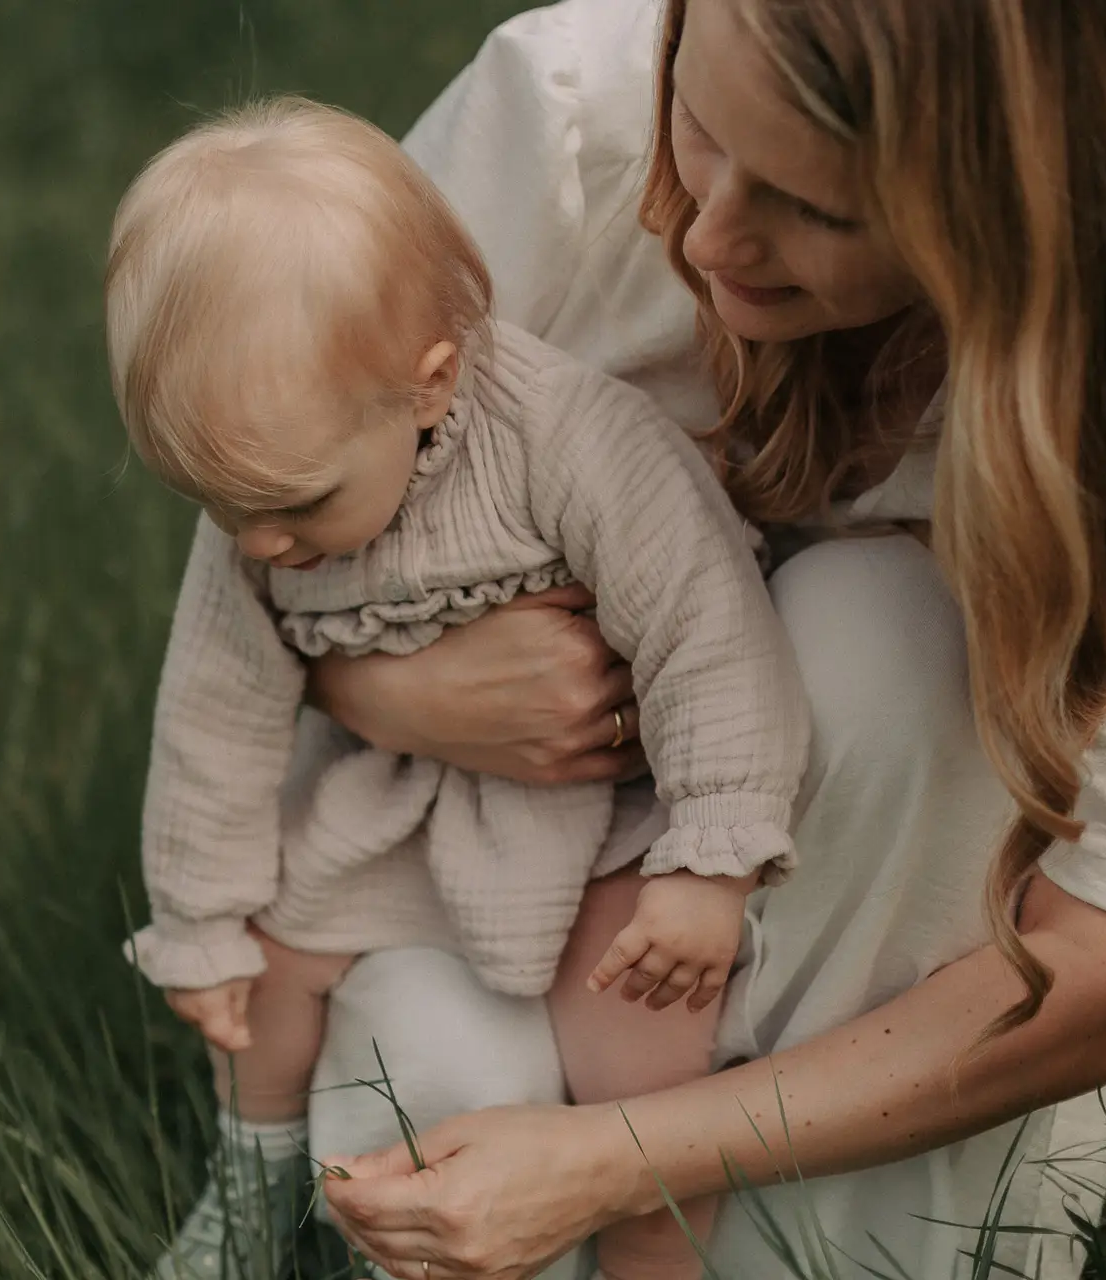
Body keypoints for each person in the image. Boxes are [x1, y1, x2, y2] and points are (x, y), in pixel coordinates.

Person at [302, 0, 1106, 1277]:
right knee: (449, 1077)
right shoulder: (567, 115)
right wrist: (378, 684)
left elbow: (1099, 966)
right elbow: (262, 483)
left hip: (897, 923)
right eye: (698, 120)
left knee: (893, 639)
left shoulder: (1097, 377)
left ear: (1000, 218)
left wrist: (625, 1160)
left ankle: (810, 1237)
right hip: (498, 838)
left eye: (818, 208)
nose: (706, 227)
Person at [103, 97, 812, 1280]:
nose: (263, 545)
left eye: (294, 506)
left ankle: (655, 1244)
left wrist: (712, 858)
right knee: (264, 969)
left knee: (640, 1051)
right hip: (406, 800)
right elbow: (215, 709)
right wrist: (201, 915)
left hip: (605, 823)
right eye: (226, 509)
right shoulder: (264, 496)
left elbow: (707, 633)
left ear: (430, 386)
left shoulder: (571, 441)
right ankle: (252, 1182)